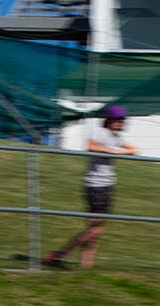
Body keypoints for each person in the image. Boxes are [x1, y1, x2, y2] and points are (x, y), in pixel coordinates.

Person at [44, 106, 138, 270]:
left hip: (107, 185)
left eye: (122, 119)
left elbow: (134, 150)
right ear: (109, 120)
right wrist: (112, 151)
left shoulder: (116, 137)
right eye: (117, 119)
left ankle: (85, 268)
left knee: (94, 230)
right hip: (95, 186)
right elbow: (90, 147)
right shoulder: (100, 133)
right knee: (96, 230)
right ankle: (59, 254)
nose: (120, 122)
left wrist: (118, 151)